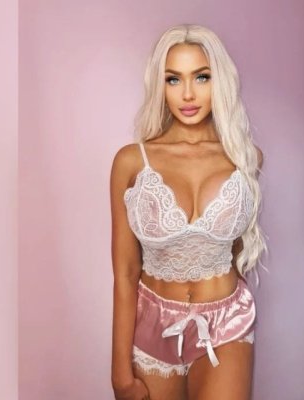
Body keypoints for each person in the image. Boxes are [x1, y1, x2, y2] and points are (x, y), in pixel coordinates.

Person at [110, 24, 268, 400]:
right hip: (153, 326)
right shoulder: (131, 161)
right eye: (173, 79)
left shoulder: (246, 159)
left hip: (226, 323)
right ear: (160, 86)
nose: (187, 94)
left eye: (201, 77)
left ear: (220, 81)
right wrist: (120, 374)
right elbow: (126, 272)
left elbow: (233, 250)